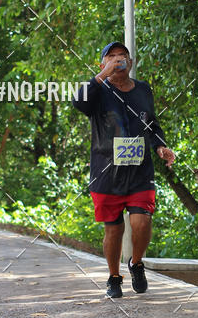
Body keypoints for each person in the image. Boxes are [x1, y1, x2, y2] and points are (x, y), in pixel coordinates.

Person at [73, 41, 175, 298]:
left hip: (140, 171)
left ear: (130, 63)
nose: (118, 60)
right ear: (102, 63)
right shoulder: (98, 90)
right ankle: (114, 277)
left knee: (142, 221)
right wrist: (102, 76)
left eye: (122, 56)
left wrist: (160, 146)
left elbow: (150, 123)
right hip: (106, 172)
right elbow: (79, 103)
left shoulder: (143, 89)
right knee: (114, 229)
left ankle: (136, 263)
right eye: (112, 57)